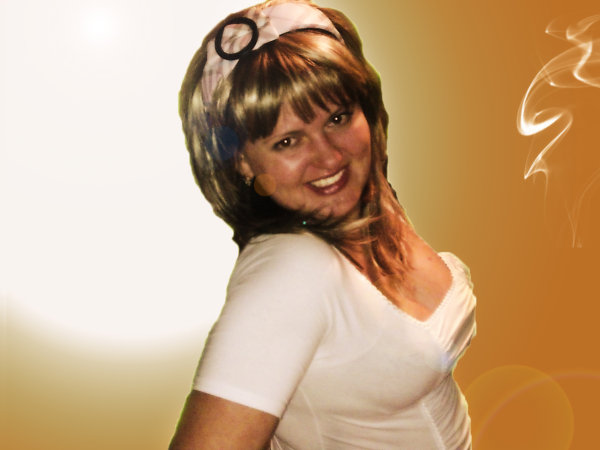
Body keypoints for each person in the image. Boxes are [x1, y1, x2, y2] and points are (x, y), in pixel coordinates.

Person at [170, 0, 476, 448]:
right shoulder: (290, 269)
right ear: (242, 163)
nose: (330, 156)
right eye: (287, 141)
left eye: (337, 117)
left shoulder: (371, 207)